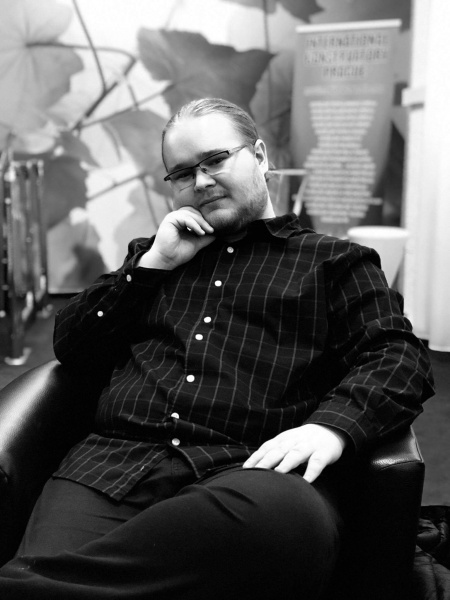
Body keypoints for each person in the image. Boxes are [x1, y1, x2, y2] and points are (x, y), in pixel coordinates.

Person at [0, 97, 434, 599]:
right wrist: (154, 265)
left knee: (287, 526)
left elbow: (398, 357)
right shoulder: (152, 258)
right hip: (112, 468)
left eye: (215, 160)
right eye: (183, 173)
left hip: (250, 474)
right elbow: (72, 346)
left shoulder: (334, 262)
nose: (201, 182)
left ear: (260, 155)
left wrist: (331, 428)